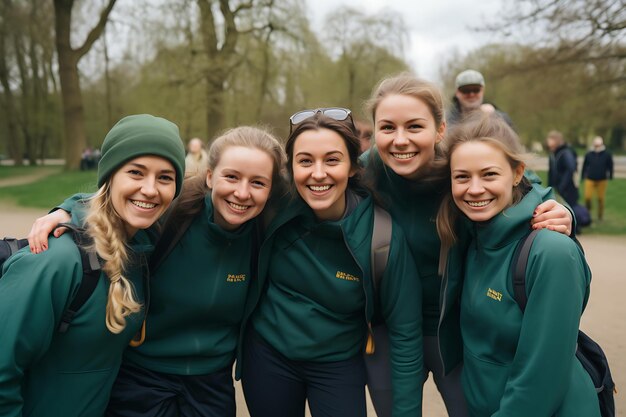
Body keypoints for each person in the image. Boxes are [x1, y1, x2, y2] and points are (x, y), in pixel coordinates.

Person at [27, 126, 287, 417]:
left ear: (270, 190)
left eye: (258, 183)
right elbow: (121, 204)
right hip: (141, 379)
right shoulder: (172, 215)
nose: (242, 192)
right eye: (231, 177)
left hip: (212, 385)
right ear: (210, 176)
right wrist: (69, 209)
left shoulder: (269, 230)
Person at [360, 73, 574, 417]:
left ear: (440, 129)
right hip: (390, 328)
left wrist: (563, 212)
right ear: (374, 133)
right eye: (387, 128)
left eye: (415, 126)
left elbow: (520, 183)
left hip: (456, 327)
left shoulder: (459, 167)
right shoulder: (365, 171)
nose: (400, 140)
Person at [240, 108, 423, 417]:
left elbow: (406, 333)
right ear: (291, 167)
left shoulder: (382, 236)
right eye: (305, 161)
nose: (318, 173)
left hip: (338, 364)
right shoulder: (272, 209)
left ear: (353, 166)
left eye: (332, 160)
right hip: (268, 357)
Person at [0, 114, 186, 417]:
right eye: (136, 173)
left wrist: (72, 205)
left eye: (165, 177)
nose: (150, 189)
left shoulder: (141, 248)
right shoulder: (56, 261)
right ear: (110, 176)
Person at [436, 112, 601, 417]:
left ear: (516, 174)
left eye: (489, 175)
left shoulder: (551, 252)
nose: (474, 188)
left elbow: (541, 378)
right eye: (462, 176)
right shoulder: (469, 235)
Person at [447, 69, 513, 128]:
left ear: (483, 91)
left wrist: (494, 117)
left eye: (476, 90)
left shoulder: (497, 116)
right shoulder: (446, 120)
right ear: (457, 93)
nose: (471, 94)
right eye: (465, 90)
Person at [582, 136, 613, 220]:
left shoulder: (607, 154)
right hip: (590, 178)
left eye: (598, 145)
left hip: (602, 179)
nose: (597, 147)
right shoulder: (589, 154)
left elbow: (610, 165)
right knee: (587, 197)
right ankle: (587, 214)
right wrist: (582, 176)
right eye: (595, 145)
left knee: (600, 199)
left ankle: (600, 216)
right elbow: (585, 165)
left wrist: (610, 175)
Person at [546, 130, 579, 207]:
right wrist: (550, 187)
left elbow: (571, 169)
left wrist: (561, 186)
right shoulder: (553, 154)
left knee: (568, 210)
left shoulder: (566, 152)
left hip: (568, 190)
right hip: (557, 189)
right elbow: (551, 172)